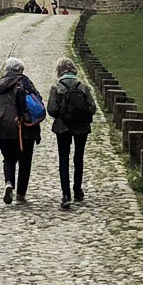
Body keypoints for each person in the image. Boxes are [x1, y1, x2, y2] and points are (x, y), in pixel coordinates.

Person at [0, 56, 43, 205]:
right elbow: (37, 100)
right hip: (24, 127)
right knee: (25, 160)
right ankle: (21, 194)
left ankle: (9, 183)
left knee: (8, 158)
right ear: (20, 70)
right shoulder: (25, 82)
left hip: (4, 127)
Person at [47, 58, 97, 206]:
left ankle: (66, 194)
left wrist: (63, 114)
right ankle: (77, 190)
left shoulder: (56, 87)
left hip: (63, 127)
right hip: (81, 127)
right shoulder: (82, 86)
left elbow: (51, 109)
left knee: (64, 159)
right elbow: (92, 107)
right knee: (79, 157)